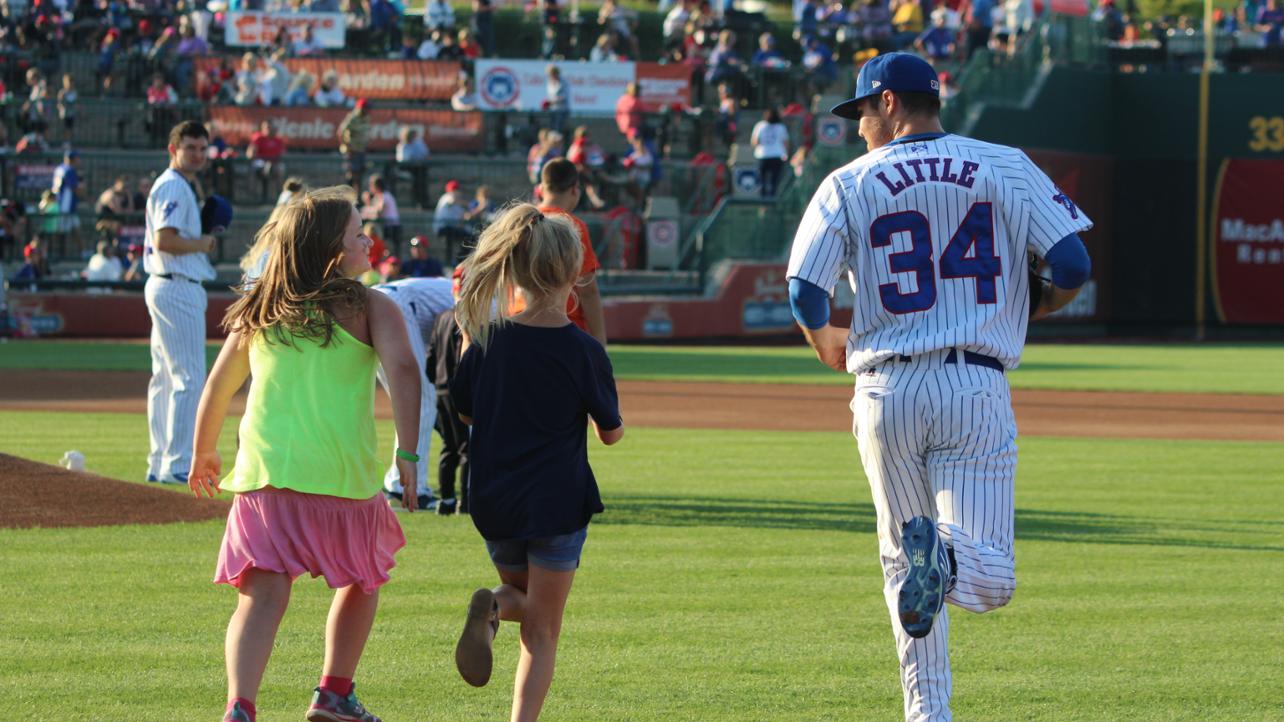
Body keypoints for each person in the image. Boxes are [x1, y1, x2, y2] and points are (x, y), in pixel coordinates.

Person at [786, 53, 1093, 721]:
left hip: (884, 390)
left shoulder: (847, 182)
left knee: (905, 567)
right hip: (973, 385)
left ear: (891, 103)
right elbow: (1073, 261)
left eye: (864, 110)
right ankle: (948, 562)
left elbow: (804, 289)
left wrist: (823, 341)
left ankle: (928, 713)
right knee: (991, 578)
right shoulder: (1005, 162)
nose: (860, 124)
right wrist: (1030, 305)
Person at [188, 186, 422, 722]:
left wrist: (204, 451)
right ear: (332, 250)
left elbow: (218, 386)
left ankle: (240, 706)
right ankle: (334, 692)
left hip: (267, 478)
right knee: (364, 581)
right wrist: (407, 453)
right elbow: (404, 373)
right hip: (345, 480)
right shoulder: (371, 305)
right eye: (359, 233)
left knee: (261, 598)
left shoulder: (263, 305)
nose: (369, 240)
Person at [449, 203, 624, 720]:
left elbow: (465, 411)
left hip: (495, 499)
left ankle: (493, 607)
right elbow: (610, 434)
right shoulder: (583, 351)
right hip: (557, 499)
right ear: (572, 272)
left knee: (522, 599)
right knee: (544, 629)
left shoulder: (489, 340)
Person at [143, 120, 219, 486]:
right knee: (189, 377)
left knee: (164, 377)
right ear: (173, 149)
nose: (198, 154)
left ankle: (159, 461)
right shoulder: (173, 185)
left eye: (203, 148)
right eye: (191, 147)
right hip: (177, 285)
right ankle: (176, 462)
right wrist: (202, 244)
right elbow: (166, 240)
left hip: (165, 284)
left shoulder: (177, 185)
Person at [370, 274, 455, 509]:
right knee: (422, 401)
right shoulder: (497, 301)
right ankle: (403, 486)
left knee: (415, 402)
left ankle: (395, 483)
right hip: (395, 305)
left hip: (378, 301)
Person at [536, 159, 607, 346]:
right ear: (575, 189)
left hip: (519, 323)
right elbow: (588, 291)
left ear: (541, 188)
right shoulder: (574, 227)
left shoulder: (520, 222)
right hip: (565, 329)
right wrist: (600, 341)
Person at [427, 289, 468, 515]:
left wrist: (435, 380)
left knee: (448, 447)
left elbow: (431, 355)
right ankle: (466, 501)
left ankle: (447, 499)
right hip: (456, 388)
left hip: (441, 389)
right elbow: (463, 356)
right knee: (466, 447)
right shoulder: (464, 318)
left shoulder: (441, 317)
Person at [751, 108, 789, 197]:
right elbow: (786, 143)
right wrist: (786, 154)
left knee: (762, 181)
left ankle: (763, 202)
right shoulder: (781, 127)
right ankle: (772, 199)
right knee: (774, 181)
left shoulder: (760, 126)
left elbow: (755, 142)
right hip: (777, 155)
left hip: (762, 155)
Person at [247, 121, 287, 203]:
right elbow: (249, 155)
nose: (268, 129)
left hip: (274, 163)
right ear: (262, 128)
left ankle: (280, 195)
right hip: (260, 162)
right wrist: (252, 149)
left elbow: (282, 155)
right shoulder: (258, 138)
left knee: (281, 168)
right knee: (259, 168)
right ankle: (253, 196)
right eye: (266, 127)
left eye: (270, 127)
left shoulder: (278, 140)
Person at [338, 99, 371, 190]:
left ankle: (357, 198)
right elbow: (341, 132)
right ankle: (349, 195)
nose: (368, 110)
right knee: (352, 174)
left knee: (360, 175)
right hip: (352, 151)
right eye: (366, 108)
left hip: (361, 150)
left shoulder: (366, 118)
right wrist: (347, 148)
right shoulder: (352, 118)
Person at [434, 180, 470, 262]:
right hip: (442, 228)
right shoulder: (446, 196)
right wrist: (467, 203)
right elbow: (452, 200)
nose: (456, 192)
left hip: (451, 228)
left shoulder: (457, 204)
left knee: (468, 237)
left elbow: (463, 217)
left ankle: (460, 261)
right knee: (450, 238)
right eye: (454, 190)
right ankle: (449, 262)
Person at [361, 174, 401, 246]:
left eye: (371, 185)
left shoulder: (385, 196)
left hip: (391, 228)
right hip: (386, 227)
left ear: (376, 186)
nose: (369, 188)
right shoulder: (378, 197)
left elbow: (378, 212)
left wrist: (368, 203)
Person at [544, 65, 569, 135]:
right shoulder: (550, 83)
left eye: (552, 74)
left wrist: (552, 101)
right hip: (552, 110)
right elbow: (550, 96)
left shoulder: (563, 83)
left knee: (558, 131)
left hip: (562, 111)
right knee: (551, 130)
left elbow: (564, 96)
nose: (551, 76)